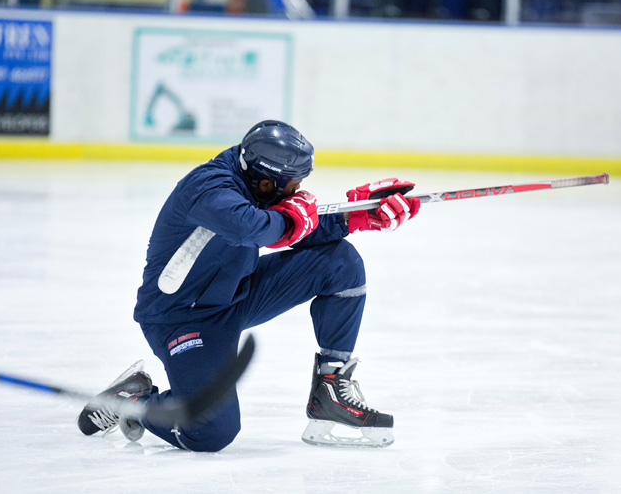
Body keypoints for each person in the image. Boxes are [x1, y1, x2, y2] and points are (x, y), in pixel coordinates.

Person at [76, 120, 420, 450]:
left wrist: (354, 215)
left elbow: (292, 225)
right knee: (212, 432)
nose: (298, 190)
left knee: (340, 263)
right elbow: (254, 228)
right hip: (181, 319)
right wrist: (292, 217)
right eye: (292, 184)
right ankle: (132, 401)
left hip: (236, 296)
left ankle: (330, 391)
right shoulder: (209, 190)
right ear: (267, 182)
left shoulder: (254, 178)